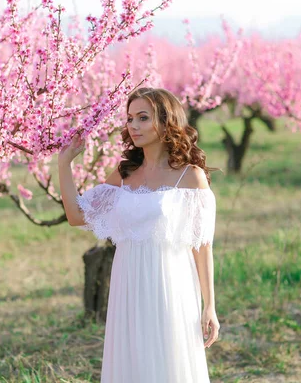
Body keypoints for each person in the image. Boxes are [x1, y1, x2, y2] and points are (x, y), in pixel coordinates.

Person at [58, 87, 220, 383]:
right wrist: (64, 163)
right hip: (127, 281)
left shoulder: (190, 176)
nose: (133, 126)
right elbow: (76, 215)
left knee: (168, 359)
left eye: (143, 118)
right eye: (130, 118)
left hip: (170, 282)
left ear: (166, 120)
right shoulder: (124, 173)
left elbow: (202, 245)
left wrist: (209, 306)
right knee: (132, 359)